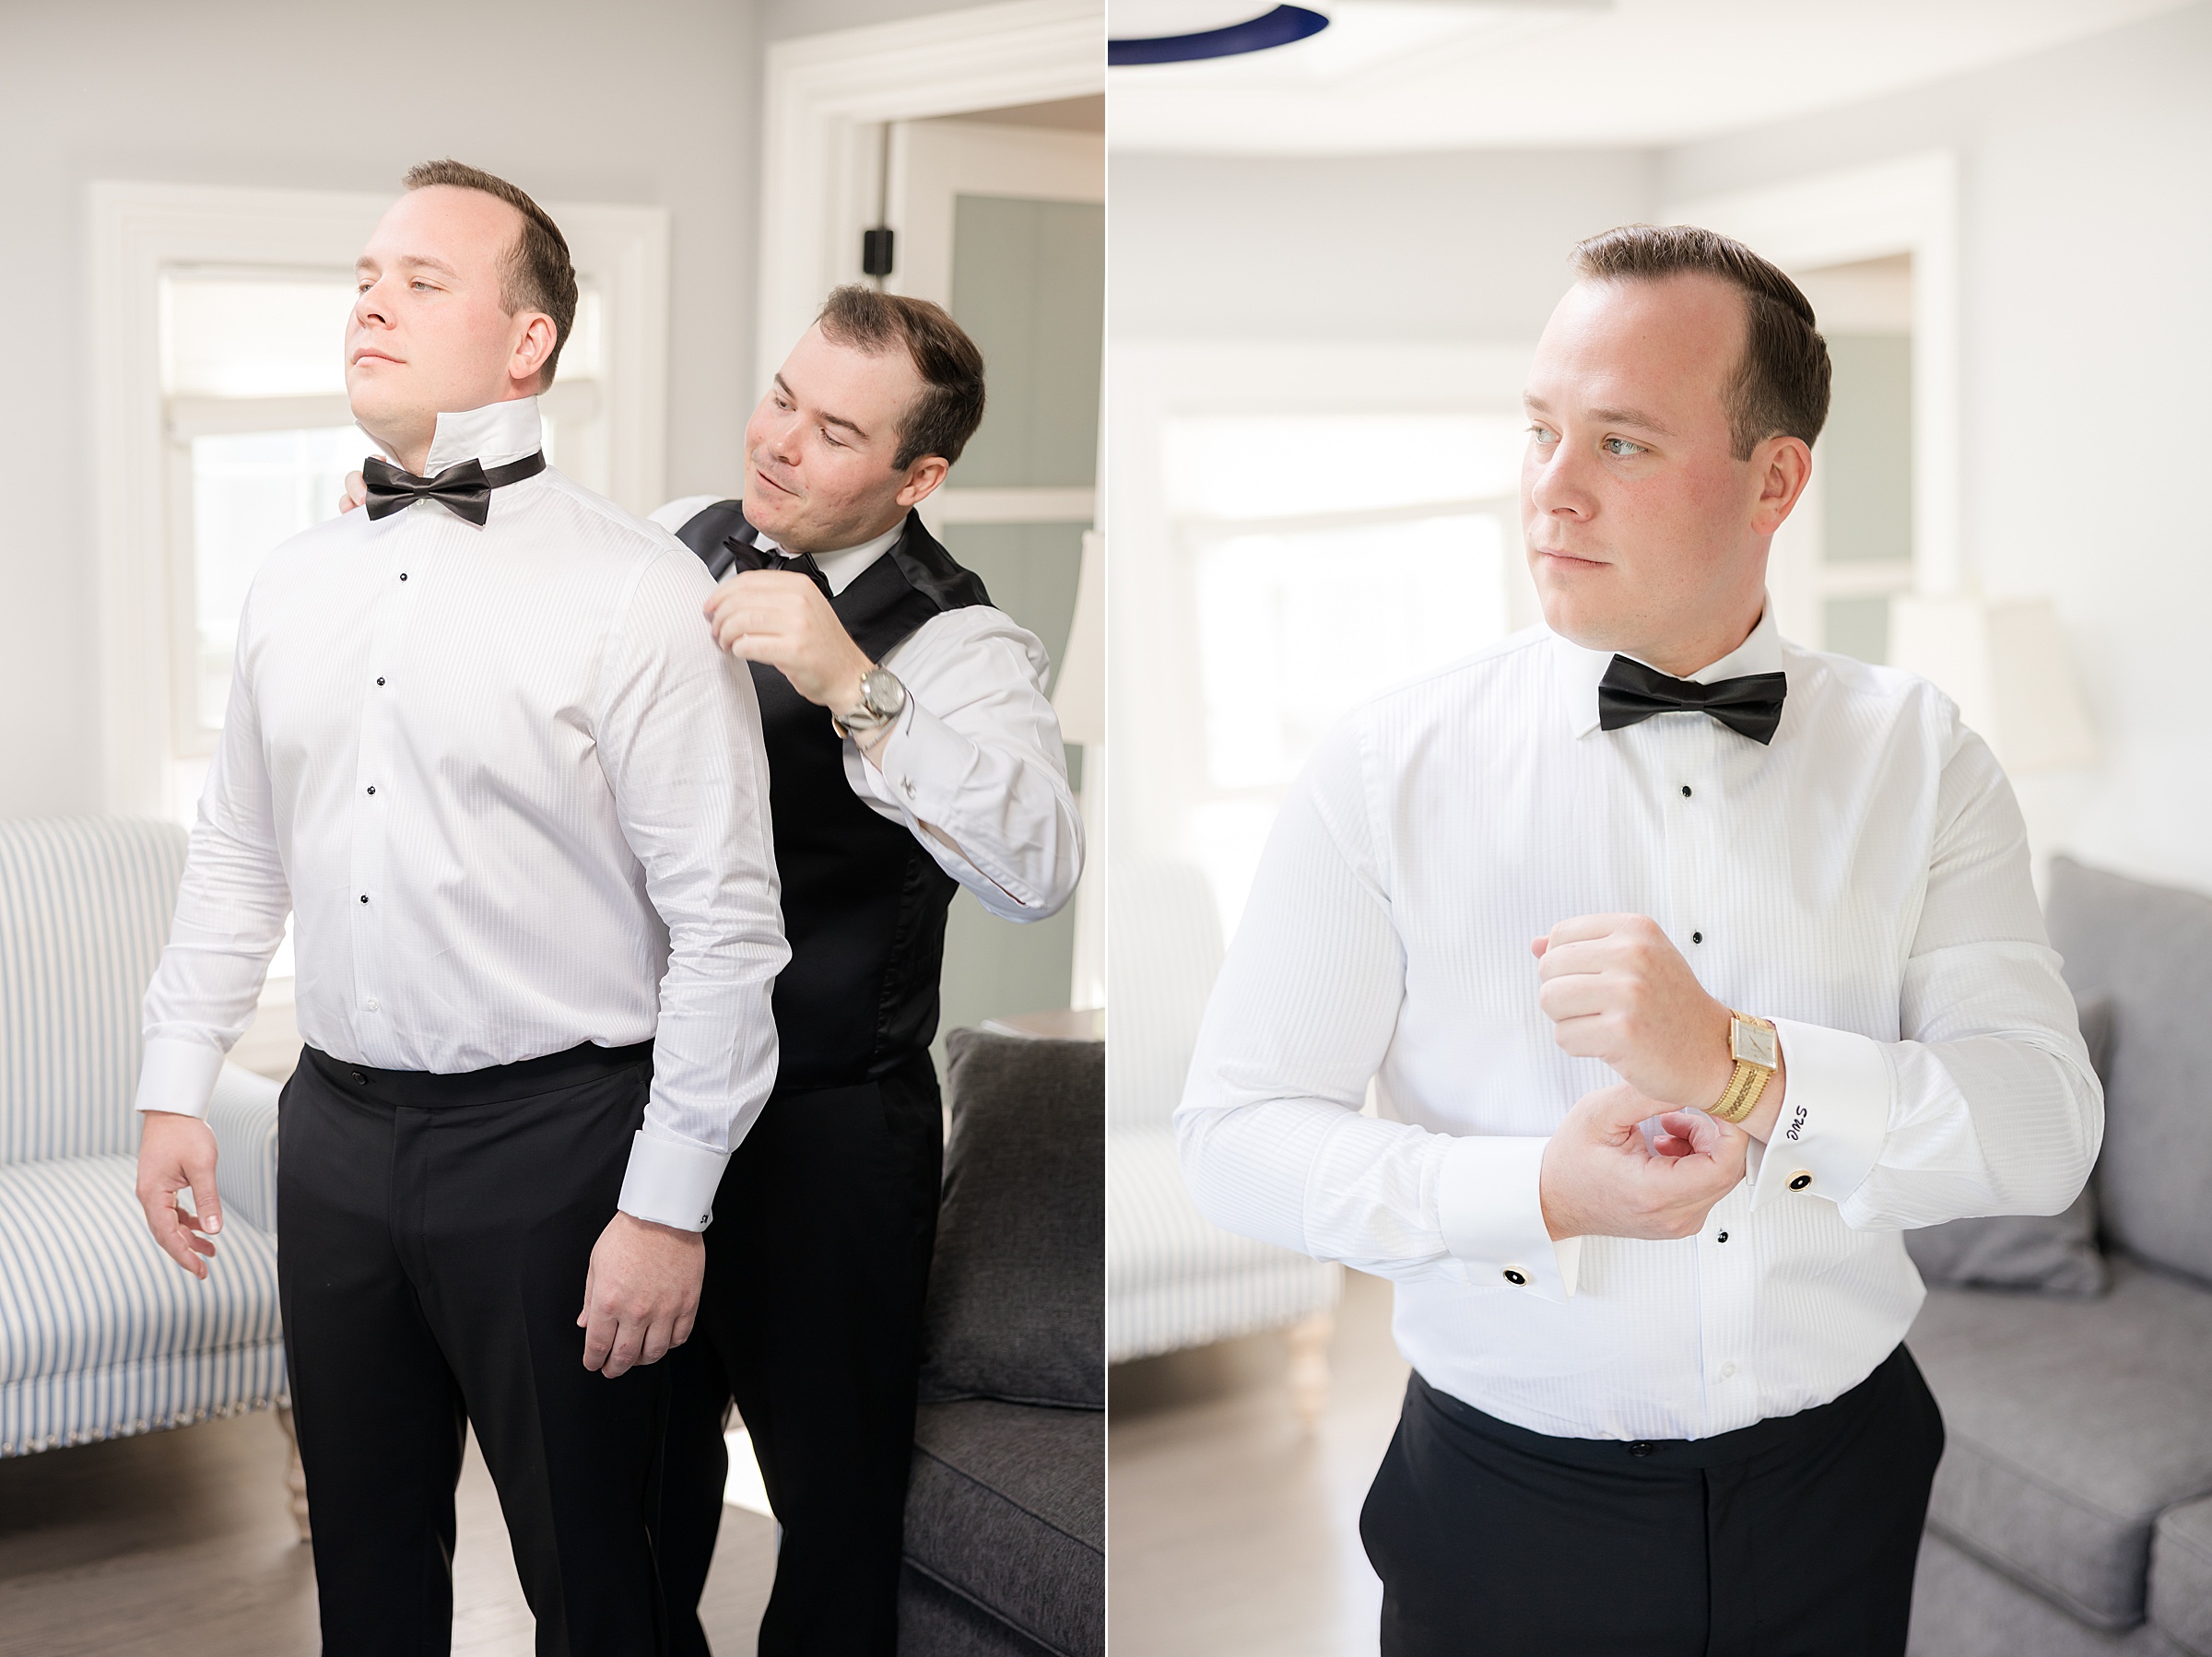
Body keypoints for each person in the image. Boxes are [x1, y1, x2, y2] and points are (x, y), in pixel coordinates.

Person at [1175, 225, 2101, 1656]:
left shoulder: (1926, 758)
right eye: (1541, 429)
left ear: (1775, 478)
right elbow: (1233, 1134)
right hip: (1503, 1504)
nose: (1547, 490)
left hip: (1840, 1482)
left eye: (1619, 442)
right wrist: (1530, 1188)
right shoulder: (1384, 769)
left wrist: (1744, 1065)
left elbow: (2042, 1132)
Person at [339, 284, 1085, 1655]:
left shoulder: (960, 642)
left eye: (835, 430)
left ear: (919, 476)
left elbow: (1039, 868)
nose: (780, 442)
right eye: (782, 396)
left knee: (833, 1497)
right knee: (630, 1480)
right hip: (635, 1109)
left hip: (826, 1134)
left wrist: (854, 681)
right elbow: (525, 624)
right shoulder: (678, 538)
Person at [133, 159, 787, 1657]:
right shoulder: (290, 582)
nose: (372, 297)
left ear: (528, 342)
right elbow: (240, 849)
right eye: (365, 274)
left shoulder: (638, 598)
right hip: (337, 1135)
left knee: (599, 1586)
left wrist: (665, 1204)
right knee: (364, 1569)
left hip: (560, 1150)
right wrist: (179, 1080)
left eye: (423, 279)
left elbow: (729, 931)